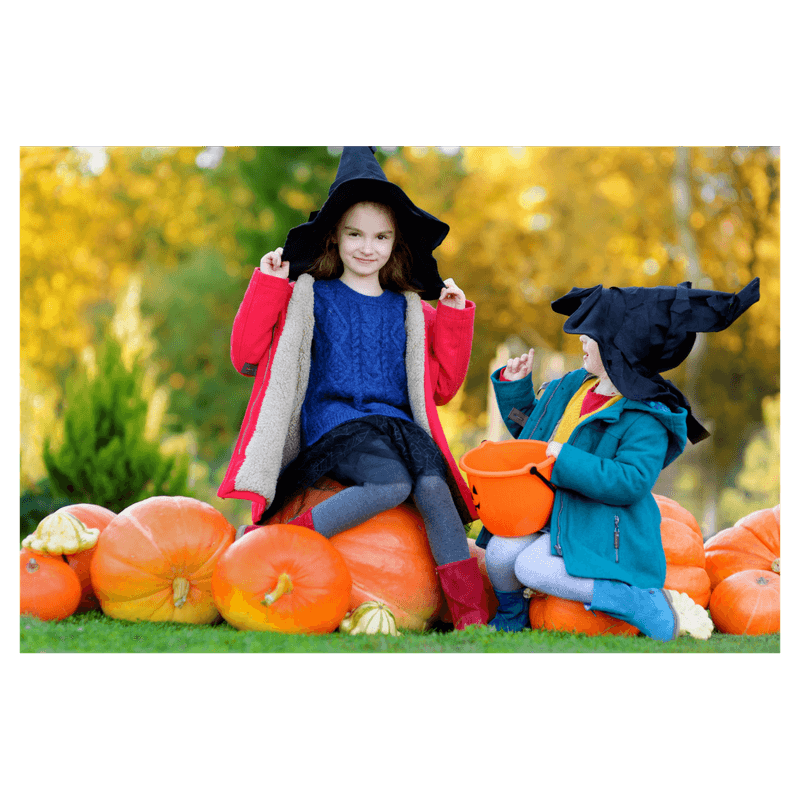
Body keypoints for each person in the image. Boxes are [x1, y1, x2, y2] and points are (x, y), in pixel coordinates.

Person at [218, 147, 489, 630]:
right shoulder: (310, 297)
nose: (369, 247)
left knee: (432, 488)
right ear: (335, 238)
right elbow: (246, 354)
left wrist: (451, 317)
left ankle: (471, 620)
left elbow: (444, 388)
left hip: (399, 428)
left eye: (381, 236)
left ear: (396, 243)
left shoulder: (410, 311)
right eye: (356, 235)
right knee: (392, 482)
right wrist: (269, 285)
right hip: (338, 423)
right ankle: (286, 540)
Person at [480, 278, 760, 640]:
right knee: (500, 552)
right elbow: (535, 438)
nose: (581, 339)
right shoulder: (574, 386)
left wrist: (565, 460)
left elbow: (632, 481)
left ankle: (632, 601)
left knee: (532, 567)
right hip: (550, 512)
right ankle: (512, 616)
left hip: (601, 525)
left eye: (591, 333)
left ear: (620, 345)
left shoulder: (647, 418)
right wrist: (515, 389)